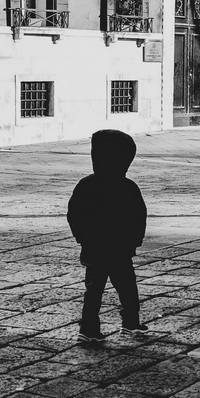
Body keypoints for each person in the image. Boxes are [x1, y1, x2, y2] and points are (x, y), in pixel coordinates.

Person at [67, 129, 148, 343]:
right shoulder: (128, 187)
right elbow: (139, 217)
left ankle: (89, 327)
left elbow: (74, 215)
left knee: (95, 290)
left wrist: (83, 238)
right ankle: (130, 322)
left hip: (96, 248)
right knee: (127, 289)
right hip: (117, 249)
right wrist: (134, 241)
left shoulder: (87, 185)